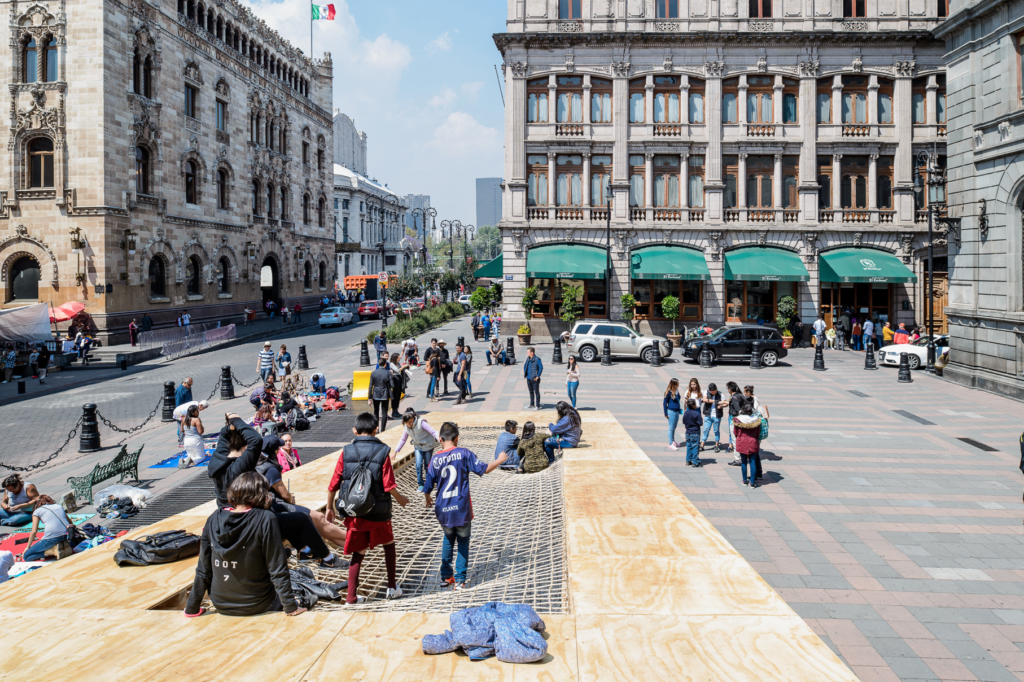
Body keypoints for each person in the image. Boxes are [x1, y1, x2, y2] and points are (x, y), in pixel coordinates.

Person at [208, 414, 341, 569]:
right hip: (250, 523)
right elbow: (256, 440)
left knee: (285, 512)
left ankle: (305, 551)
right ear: (245, 447)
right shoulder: (241, 465)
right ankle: (328, 559)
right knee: (301, 519)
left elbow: (224, 438)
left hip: (230, 520)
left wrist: (230, 424)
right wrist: (236, 419)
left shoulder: (217, 461)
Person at [184, 473, 305, 618]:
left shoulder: (213, 518)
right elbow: (277, 567)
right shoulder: (265, 519)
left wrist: (191, 608)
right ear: (262, 494)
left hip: (220, 603)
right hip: (259, 603)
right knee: (306, 597)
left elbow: (203, 568)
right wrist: (291, 607)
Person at [326, 412, 410, 604]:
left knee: (359, 552)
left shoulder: (346, 452)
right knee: (389, 544)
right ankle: (391, 588)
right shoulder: (382, 452)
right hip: (379, 512)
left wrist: (330, 507)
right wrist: (401, 499)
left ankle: (351, 597)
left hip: (354, 512)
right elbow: (388, 484)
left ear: (355, 430)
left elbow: (333, 484)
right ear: (376, 430)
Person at [423, 421, 507, 590]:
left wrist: (427, 499)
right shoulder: (464, 454)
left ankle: (446, 576)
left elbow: (428, 486)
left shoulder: (435, 459)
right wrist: (499, 460)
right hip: (461, 509)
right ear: (457, 438)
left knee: (448, 539)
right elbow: (484, 469)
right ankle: (460, 580)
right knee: (462, 541)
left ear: (440, 439)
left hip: (443, 510)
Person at [394, 409, 440, 493]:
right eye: (408, 423)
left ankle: (428, 483)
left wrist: (442, 440)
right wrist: (396, 450)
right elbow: (403, 439)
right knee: (418, 464)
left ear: (414, 418)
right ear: (404, 422)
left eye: (411, 422)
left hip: (428, 445)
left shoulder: (421, 423)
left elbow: (433, 432)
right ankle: (420, 484)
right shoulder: (406, 427)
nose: (410, 424)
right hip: (418, 446)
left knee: (427, 465)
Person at [21, 495, 71, 561]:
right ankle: (61, 545)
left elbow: (34, 531)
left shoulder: (37, 511)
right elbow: (70, 522)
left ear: (37, 503)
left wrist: (27, 547)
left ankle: (52, 551)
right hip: (66, 535)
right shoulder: (59, 506)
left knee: (26, 556)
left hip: (52, 538)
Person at [733, 399, 762, 488]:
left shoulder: (738, 420)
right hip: (753, 442)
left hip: (742, 442)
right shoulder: (756, 420)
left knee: (744, 462)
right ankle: (752, 482)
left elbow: (735, 433)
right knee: (753, 462)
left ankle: (744, 481)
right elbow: (758, 433)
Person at [744, 385, 768, 481]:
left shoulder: (753, 401)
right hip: (757, 431)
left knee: (754, 454)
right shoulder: (753, 399)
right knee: (756, 454)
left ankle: (757, 474)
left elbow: (753, 415)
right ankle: (758, 473)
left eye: (745, 392)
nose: (744, 394)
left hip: (755, 432)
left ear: (749, 393)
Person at [700, 382, 727, 453]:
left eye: (715, 391)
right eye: (712, 392)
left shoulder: (720, 394)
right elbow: (704, 400)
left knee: (716, 430)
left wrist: (721, 405)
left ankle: (717, 445)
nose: (714, 393)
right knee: (706, 430)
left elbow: (725, 403)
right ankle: (702, 445)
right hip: (708, 415)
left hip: (717, 415)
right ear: (709, 390)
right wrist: (716, 401)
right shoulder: (706, 392)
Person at [178, 404, 207, 469]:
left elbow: (182, 430)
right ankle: (191, 461)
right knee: (201, 457)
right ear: (192, 413)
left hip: (187, 441)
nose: (198, 412)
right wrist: (202, 427)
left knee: (190, 454)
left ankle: (184, 460)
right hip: (196, 440)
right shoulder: (196, 419)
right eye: (197, 411)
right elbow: (200, 432)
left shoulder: (184, 419)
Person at [370, 354, 392, 433]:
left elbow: (370, 386)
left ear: (378, 364)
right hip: (385, 394)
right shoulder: (388, 372)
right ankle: (383, 430)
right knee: (384, 411)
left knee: (376, 411)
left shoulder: (373, 373)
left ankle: (377, 429)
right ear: (385, 364)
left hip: (375, 394)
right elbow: (392, 385)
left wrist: (369, 397)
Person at [726, 381, 744, 464]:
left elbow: (737, 410)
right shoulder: (740, 395)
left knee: (735, 440)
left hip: (735, 420)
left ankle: (738, 459)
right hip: (742, 420)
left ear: (729, 389)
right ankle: (742, 457)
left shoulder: (734, 397)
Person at [682, 399, 704, 468]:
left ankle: (688, 460)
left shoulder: (686, 413)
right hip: (695, 432)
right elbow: (700, 423)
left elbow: (683, 421)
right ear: (694, 405)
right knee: (695, 447)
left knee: (689, 446)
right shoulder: (696, 414)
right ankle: (695, 461)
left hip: (688, 432)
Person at [664, 378, 683, 450]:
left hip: (677, 411)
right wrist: (665, 413)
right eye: (677, 384)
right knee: (671, 428)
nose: (678, 385)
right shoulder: (668, 392)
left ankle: (673, 441)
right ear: (673, 385)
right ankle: (670, 443)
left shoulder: (677, 391)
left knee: (674, 427)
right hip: (671, 411)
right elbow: (664, 403)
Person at [175, 377, 194, 446]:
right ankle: (181, 440)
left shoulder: (187, 388)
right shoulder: (180, 390)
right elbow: (178, 403)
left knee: (186, 424)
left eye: (191, 385)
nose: (190, 387)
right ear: (185, 383)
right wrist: (181, 414)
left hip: (186, 409)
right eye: (189, 385)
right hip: (181, 411)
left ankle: (184, 438)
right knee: (181, 425)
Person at [388, 353, 407, 418]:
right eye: (398, 358)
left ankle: (396, 410)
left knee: (398, 396)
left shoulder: (398, 363)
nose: (399, 359)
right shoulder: (392, 364)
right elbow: (397, 370)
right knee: (395, 396)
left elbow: (400, 370)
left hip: (399, 380)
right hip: (395, 380)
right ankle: (393, 411)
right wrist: (403, 367)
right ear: (395, 358)